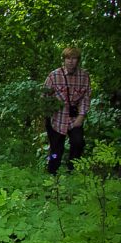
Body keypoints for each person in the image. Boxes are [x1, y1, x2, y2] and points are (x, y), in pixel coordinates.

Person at [43, 46, 91, 174]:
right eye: (68, 58)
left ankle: (72, 171)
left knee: (78, 143)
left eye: (74, 58)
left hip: (74, 118)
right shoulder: (54, 76)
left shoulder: (84, 76)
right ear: (64, 60)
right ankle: (51, 172)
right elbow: (44, 97)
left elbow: (86, 98)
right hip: (56, 119)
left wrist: (81, 116)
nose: (71, 61)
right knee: (56, 151)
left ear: (78, 60)